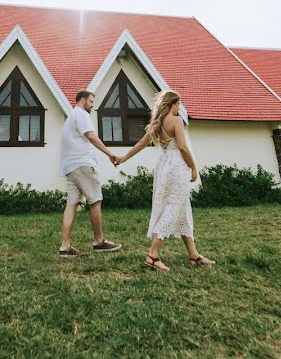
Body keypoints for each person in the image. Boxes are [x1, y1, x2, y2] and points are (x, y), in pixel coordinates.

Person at [114, 90, 214, 271]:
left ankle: (193, 254)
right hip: (177, 166)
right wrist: (193, 167)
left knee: (182, 209)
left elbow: (141, 144)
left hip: (163, 166)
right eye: (178, 104)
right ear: (171, 104)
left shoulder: (157, 123)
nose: (179, 108)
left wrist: (123, 158)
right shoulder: (176, 121)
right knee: (172, 208)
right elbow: (182, 147)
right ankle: (153, 255)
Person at [58, 90, 123, 257]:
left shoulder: (70, 117)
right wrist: (110, 154)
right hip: (83, 164)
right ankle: (99, 242)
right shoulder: (81, 114)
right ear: (82, 100)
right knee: (95, 200)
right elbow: (91, 136)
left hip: (70, 167)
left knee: (72, 203)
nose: (93, 104)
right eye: (91, 101)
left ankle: (65, 247)